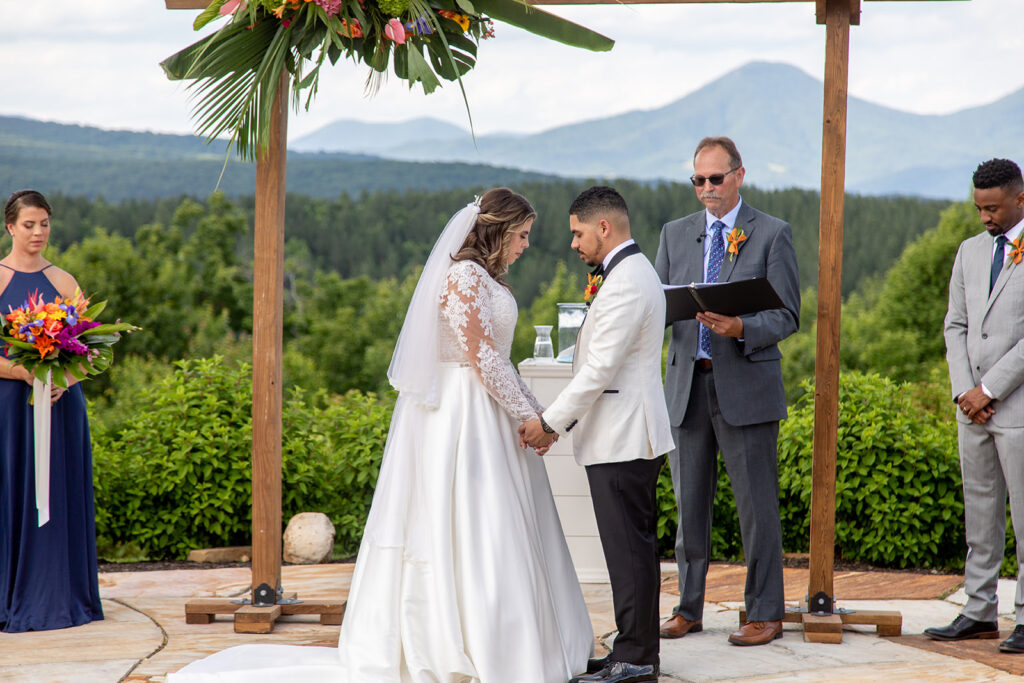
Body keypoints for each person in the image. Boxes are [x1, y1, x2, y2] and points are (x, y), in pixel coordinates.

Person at [169, 188, 593, 682]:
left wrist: (541, 415)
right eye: (521, 236)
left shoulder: (485, 278)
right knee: (471, 518)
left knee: (502, 521)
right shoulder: (462, 277)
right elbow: (480, 356)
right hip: (462, 414)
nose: (525, 246)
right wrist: (532, 416)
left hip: (487, 408)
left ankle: (522, 639)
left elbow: (498, 355)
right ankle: (468, 641)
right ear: (498, 231)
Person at [521, 186, 674, 683]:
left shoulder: (627, 281)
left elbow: (598, 371)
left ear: (603, 227)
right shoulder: (629, 273)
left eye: (578, 232)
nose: (574, 243)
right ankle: (634, 651)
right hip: (623, 433)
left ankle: (634, 658)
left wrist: (548, 423)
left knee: (628, 553)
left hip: (623, 436)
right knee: (630, 551)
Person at [654, 137, 800, 646]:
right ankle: (687, 608)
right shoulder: (675, 235)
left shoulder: (772, 234)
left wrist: (741, 327)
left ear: (739, 175)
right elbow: (656, 308)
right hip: (686, 387)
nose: (707, 189)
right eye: (698, 180)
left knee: (757, 508)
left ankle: (765, 612)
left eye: (716, 179)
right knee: (688, 506)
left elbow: (787, 315)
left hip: (747, 388)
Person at [926, 158, 1024, 653]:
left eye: (994, 208)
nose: (985, 218)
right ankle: (979, 610)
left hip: (1017, 407)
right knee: (979, 511)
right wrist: (966, 391)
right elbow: (955, 325)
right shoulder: (968, 252)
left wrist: (991, 389)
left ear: (1019, 199)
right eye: (979, 208)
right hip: (974, 409)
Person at [0, 189, 104, 632]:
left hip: (61, 407)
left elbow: (91, 351)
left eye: (44, 223)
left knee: (59, 490)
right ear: (10, 227)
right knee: (12, 489)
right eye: (29, 224)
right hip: (9, 405)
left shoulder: (63, 281)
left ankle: (63, 595)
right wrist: (23, 375)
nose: (38, 232)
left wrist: (62, 380)